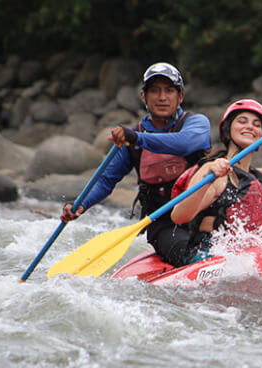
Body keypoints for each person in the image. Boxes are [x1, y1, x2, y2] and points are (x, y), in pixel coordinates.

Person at [60, 62, 211, 266]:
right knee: (192, 256)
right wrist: (80, 204)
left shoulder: (196, 123)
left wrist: (137, 137)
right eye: (155, 91)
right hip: (164, 224)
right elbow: (105, 181)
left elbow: (184, 144)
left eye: (169, 91)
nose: (162, 97)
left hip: (204, 216)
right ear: (144, 97)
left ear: (180, 96)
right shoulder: (131, 140)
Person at [170, 99, 262, 264]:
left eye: (257, 125)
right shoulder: (213, 171)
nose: (250, 127)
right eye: (242, 121)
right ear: (228, 129)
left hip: (252, 256)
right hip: (212, 254)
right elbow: (179, 216)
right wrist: (207, 180)